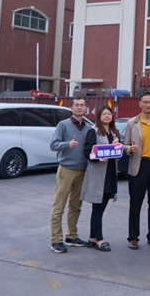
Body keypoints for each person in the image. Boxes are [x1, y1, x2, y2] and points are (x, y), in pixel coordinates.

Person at [49, 98, 95, 253]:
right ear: (72, 107)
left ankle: (72, 236)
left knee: (76, 206)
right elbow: (53, 145)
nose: (80, 107)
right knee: (59, 206)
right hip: (66, 170)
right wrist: (68, 144)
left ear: (86, 108)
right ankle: (56, 240)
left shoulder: (88, 128)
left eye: (82, 105)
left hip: (82, 170)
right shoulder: (63, 125)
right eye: (77, 105)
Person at [123, 92, 150, 249]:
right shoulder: (132, 122)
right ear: (140, 104)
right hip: (138, 166)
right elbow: (125, 144)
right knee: (135, 203)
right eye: (145, 102)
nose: (148, 105)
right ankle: (133, 237)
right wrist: (129, 149)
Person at [81, 105, 121, 252]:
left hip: (110, 174)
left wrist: (117, 146)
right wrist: (98, 158)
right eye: (104, 114)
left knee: (100, 208)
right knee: (98, 208)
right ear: (99, 116)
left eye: (109, 114)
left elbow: (117, 152)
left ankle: (92, 238)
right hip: (98, 175)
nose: (107, 116)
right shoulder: (94, 131)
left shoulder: (114, 132)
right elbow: (87, 152)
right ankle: (100, 240)